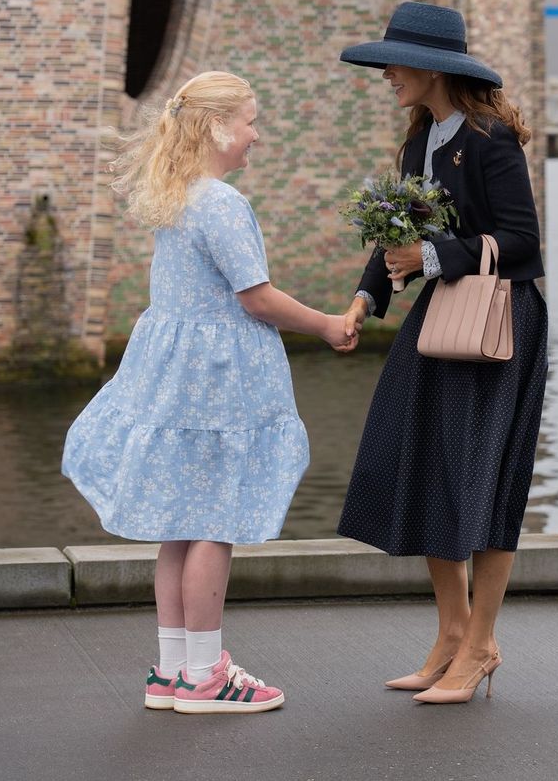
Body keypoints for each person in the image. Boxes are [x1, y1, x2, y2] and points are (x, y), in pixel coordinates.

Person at [62, 70, 356, 714]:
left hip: (172, 377)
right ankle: (206, 676)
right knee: (214, 522)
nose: (256, 135)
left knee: (179, 524)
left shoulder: (177, 194)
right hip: (218, 384)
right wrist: (329, 324)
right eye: (251, 120)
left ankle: (173, 669)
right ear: (219, 126)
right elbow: (256, 298)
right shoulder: (222, 202)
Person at [336, 2, 548, 705]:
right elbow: (394, 238)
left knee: (483, 477)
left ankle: (482, 642)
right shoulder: (417, 142)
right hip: (440, 315)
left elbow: (521, 242)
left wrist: (432, 253)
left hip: (496, 323)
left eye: (394, 62)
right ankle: (450, 634)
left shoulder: (489, 142)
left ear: (432, 68)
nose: (386, 74)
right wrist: (366, 302)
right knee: (422, 457)